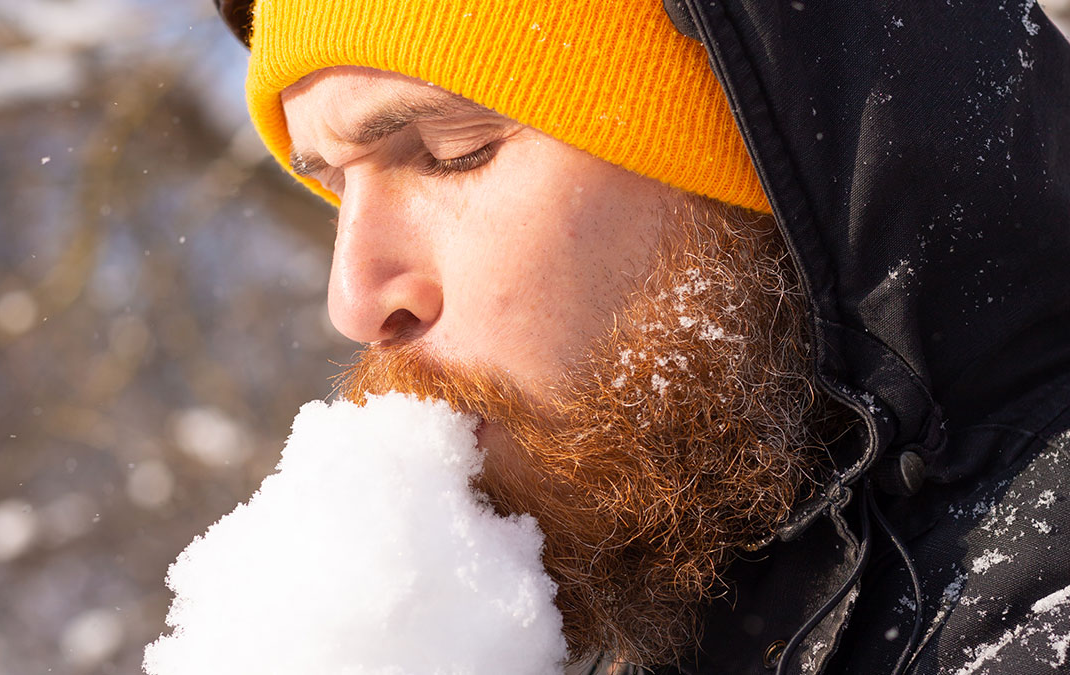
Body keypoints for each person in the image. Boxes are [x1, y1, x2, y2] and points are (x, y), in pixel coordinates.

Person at [214, 1, 1070, 673]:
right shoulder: (682, 593)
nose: (353, 299)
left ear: (767, 151)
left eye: (452, 150)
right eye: (330, 189)